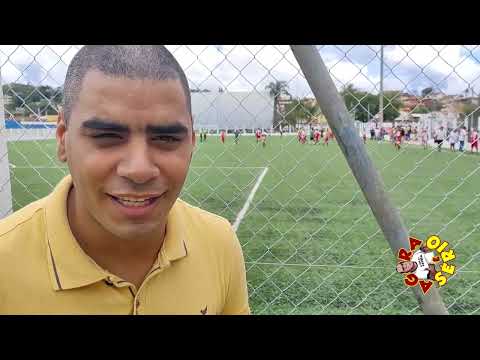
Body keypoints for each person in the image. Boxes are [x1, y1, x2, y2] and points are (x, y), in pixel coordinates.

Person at [0, 45, 250, 315]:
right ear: (63, 139)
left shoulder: (218, 241)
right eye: (107, 137)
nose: (139, 170)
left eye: (166, 138)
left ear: (191, 141)